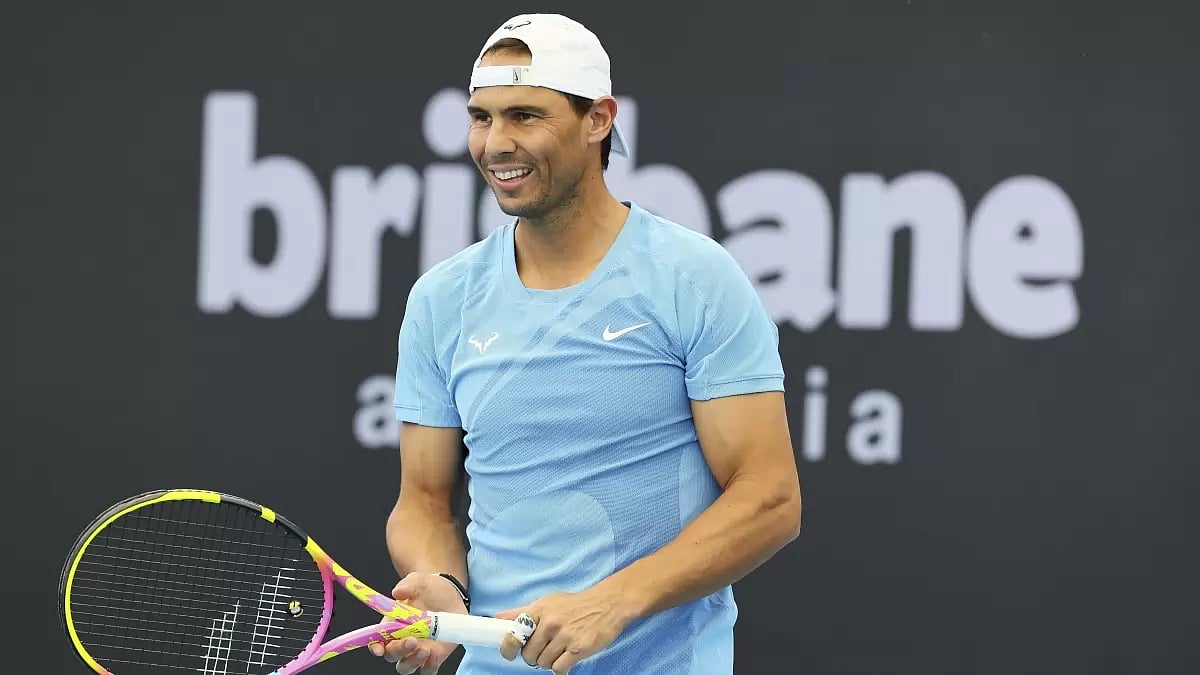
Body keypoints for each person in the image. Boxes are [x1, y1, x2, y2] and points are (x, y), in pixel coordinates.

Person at [369, 12, 803, 675]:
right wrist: (443, 590)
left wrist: (612, 602)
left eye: (525, 116)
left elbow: (769, 498)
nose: (496, 143)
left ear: (598, 119)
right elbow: (424, 500)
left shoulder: (693, 277)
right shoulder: (441, 299)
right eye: (482, 117)